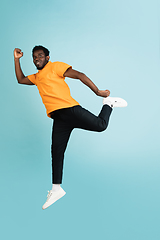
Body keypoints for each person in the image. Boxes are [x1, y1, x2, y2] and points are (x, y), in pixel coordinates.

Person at [14, 45, 127, 210]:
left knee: (101, 125)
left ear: (47, 57)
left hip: (71, 110)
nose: (37, 59)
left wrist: (98, 92)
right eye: (34, 57)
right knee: (56, 152)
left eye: (40, 55)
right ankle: (56, 189)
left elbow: (80, 75)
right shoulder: (37, 77)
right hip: (58, 118)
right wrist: (17, 60)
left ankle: (109, 104)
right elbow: (20, 79)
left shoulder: (55, 66)